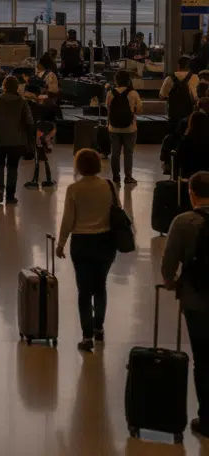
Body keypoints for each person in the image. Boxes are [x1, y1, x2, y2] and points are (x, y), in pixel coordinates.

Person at [54, 148, 120, 353]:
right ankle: (99, 327)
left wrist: (61, 243)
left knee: (84, 290)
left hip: (81, 242)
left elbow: (68, 220)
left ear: (79, 166)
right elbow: (116, 211)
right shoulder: (109, 186)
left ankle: (86, 335)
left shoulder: (74, 189)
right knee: (100, 286)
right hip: (105, 241)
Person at [159, 171, 209, 437]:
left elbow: (168, 264)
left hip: (196, 300)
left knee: (203, 360)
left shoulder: (183, 221)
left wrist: (171, 282)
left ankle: (207, 418)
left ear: (192, 193)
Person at [0, 77, 35, 204]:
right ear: (16, 87)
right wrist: (30, 141)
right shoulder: (22, 102)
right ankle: (10, 195)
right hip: (17, 141)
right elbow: (29, 123)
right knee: (13, 168)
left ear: (4, 86)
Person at [106, 69, 143, 186]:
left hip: (113, 127)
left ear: (116, 81)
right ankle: (128, 177)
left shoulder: (110, 93)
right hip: (130, 128)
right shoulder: (133, 93)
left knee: (115, 153)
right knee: (128, 153)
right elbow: (139, 109)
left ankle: (116, 177)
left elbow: (108, 109)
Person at [162, 56, 201, 128]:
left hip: (173, 114)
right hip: (188, 115)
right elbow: (196, 97)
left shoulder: (169, 78)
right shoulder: (195, 77)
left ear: (178, 65)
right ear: (189, 66)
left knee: (172, 133)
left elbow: (162, 96)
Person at [25, 120, 58, 189]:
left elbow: (43, 137)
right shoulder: (47, 128)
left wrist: (45, 142)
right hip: (42, 132)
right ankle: (44, 179)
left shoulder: (42, 127)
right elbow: (45, 137)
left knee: (40, 161)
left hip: (41, 131)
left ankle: (37, 180)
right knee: (42, 160)